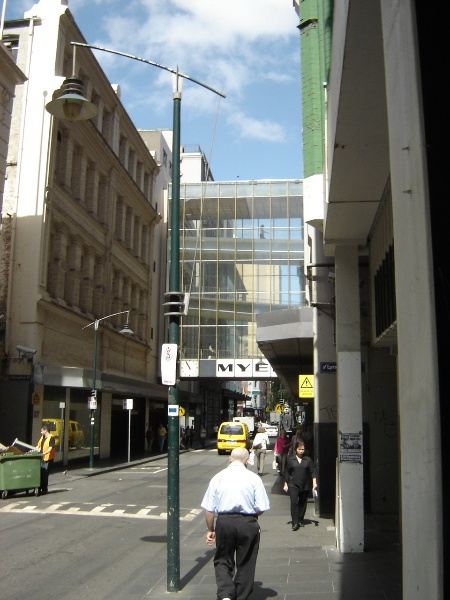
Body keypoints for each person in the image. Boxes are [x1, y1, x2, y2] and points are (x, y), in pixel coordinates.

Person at [201, 447, 270, 600]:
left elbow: (209, 509)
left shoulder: (218, 478)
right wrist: (250, 516)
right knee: (246, 562)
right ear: (247, 461)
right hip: (248, 522)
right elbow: (262, 507)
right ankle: (240, 596)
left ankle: (225, 593)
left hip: (224, 522)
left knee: (223, 559)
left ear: (230, 459)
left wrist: (210, 529)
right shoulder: (254, 479)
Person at [283, 438, 317, 531]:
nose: (301, 451)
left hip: (305, 484)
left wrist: (314, 483)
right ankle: (295, 522)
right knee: (294, 502)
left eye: (303, 449)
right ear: (295, 449)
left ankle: (300, 518)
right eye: (299, 449)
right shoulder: (291, 460)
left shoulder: (308, 460)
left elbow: (313, 471)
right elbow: (287, 472)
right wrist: (285, 484)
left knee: (303, 502)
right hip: (293, 484)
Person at [35, 423, 56, 495]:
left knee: (45, 474)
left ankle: (44, 489)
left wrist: (44, 453)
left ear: (45, 430)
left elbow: (50, 448)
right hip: (42, 458)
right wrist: (33, 450)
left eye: (42, 431)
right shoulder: (42, 437)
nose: (41, 432)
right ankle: (39, 488)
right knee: (40, 473)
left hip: (48, 459)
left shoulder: (51, 437)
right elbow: (38, 446)